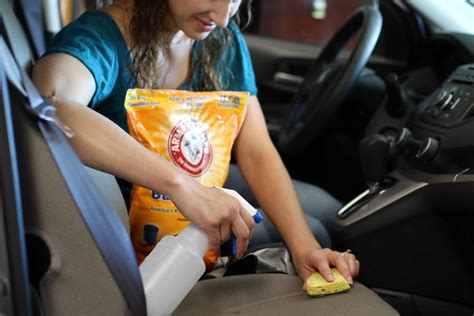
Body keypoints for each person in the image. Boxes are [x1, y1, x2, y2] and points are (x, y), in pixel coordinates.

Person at [32, 0, 359, 285]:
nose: (223, 16)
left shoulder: (221, 40)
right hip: (142, 222)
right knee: (316, 227)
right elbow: (53, 108)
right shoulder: (101, 38)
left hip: (205, 181)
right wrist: (182, 186)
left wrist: (306, 250)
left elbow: (257, 152)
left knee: (328, 217)